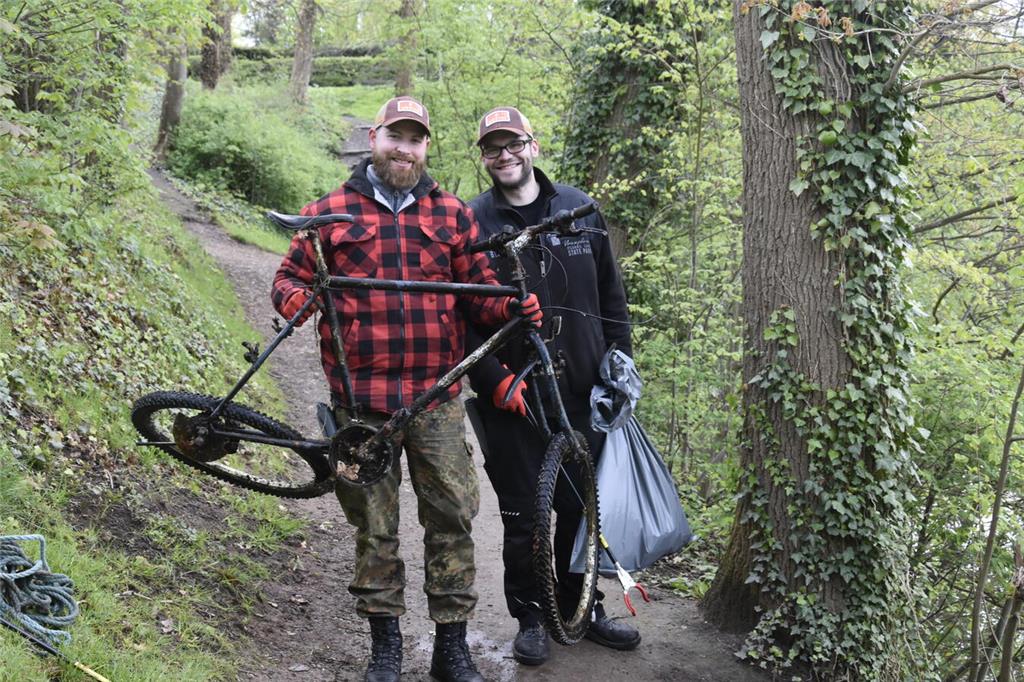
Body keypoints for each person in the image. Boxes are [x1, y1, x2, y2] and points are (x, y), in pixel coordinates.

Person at [271, 96, 541, 682]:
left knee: (453, 519)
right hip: (360, 405)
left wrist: (511, 305)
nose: (405, 147)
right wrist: (296, 300)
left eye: (416, 138)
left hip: (436, 402)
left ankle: (451, 647)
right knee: (374, 526)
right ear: (375, 137)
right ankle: (385, 648)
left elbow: (480, 289)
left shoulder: (450, 214)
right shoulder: (328, 212)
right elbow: (290, 275)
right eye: (396, 135)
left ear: (425, 147)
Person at [466, 106, 640, 666]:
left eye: (513, 143)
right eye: (493, 148)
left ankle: (582, 606)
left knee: (580, 505)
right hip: (512, 394)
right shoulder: (474, 223)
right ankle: (532, 617)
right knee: (522, 512)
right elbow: (460, 316)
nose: (505, 155)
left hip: (584, 388)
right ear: (485, 158)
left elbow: (613, 297)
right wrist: (492, 379)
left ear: (532, 146)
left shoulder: (578, 208)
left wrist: (620, 369)